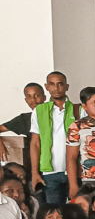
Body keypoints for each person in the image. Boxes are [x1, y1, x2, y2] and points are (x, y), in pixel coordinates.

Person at [29, 71, 76, 204]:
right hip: (49, 172)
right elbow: (35, 143)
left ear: (67, 86)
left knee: (76, 213)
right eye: (52, 84)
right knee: (54, 213)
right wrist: (35, 172)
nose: (56, 88)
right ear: (46, 87)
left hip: (75, 171)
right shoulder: (39, 111)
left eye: (60, 84)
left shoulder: (78, 110)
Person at [0, 82, 46, 177]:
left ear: (44, 97)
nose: (33, 100)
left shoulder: (55, 115)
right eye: (29, 97)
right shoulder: (24, 119)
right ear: (26, 100)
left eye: (37, 96)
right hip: (34, 169)